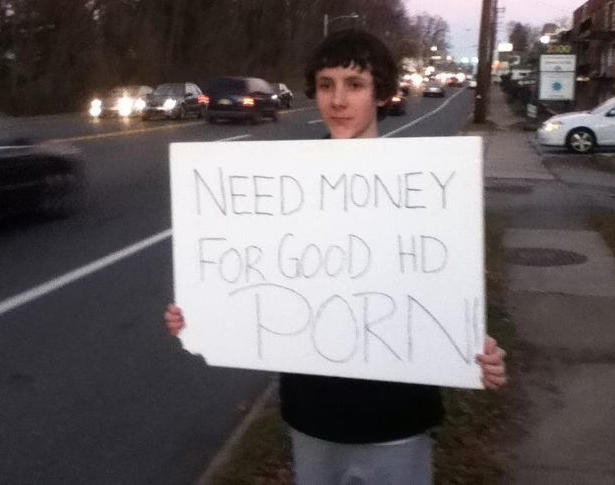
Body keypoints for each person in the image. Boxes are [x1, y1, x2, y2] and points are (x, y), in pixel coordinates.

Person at [165, 29, 507, 484]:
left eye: (355, 84)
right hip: (313, 418)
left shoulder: (424, 185)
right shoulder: (286, 186)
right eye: (326, 85)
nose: (338, 100)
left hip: (397, 421)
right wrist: (203, 313)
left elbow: (441, 287)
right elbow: (259, 275)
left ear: (381, 94)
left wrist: (474, 349)